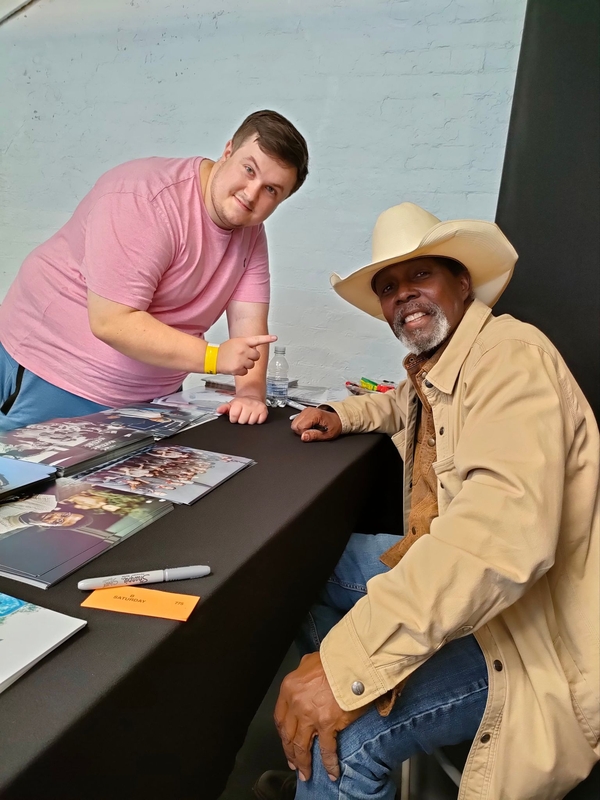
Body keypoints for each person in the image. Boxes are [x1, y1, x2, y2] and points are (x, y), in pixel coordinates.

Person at [255, 203, 599, 800]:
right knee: (308, 561)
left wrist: (349, 670)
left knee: (347, 740)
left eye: (420, 277)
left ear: (462, 282)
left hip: (528, 634)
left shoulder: (513, 360)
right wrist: (342, 413)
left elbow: (497, 540)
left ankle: (331, 753)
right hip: (476, 593)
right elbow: (401, 402)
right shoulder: (445, 361)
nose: (403, 296)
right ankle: (331, 746)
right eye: (389, 288)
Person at [0, 110, 308, 431]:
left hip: (152, 397)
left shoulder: (251, 231)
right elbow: (111, 321)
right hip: (55, 370)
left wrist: (250, 394)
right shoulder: (144, 198)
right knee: (29, 479)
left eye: (271, 189)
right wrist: (214, 358)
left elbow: (249, 327)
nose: (251, 192)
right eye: (248, 169)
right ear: (228, 150)